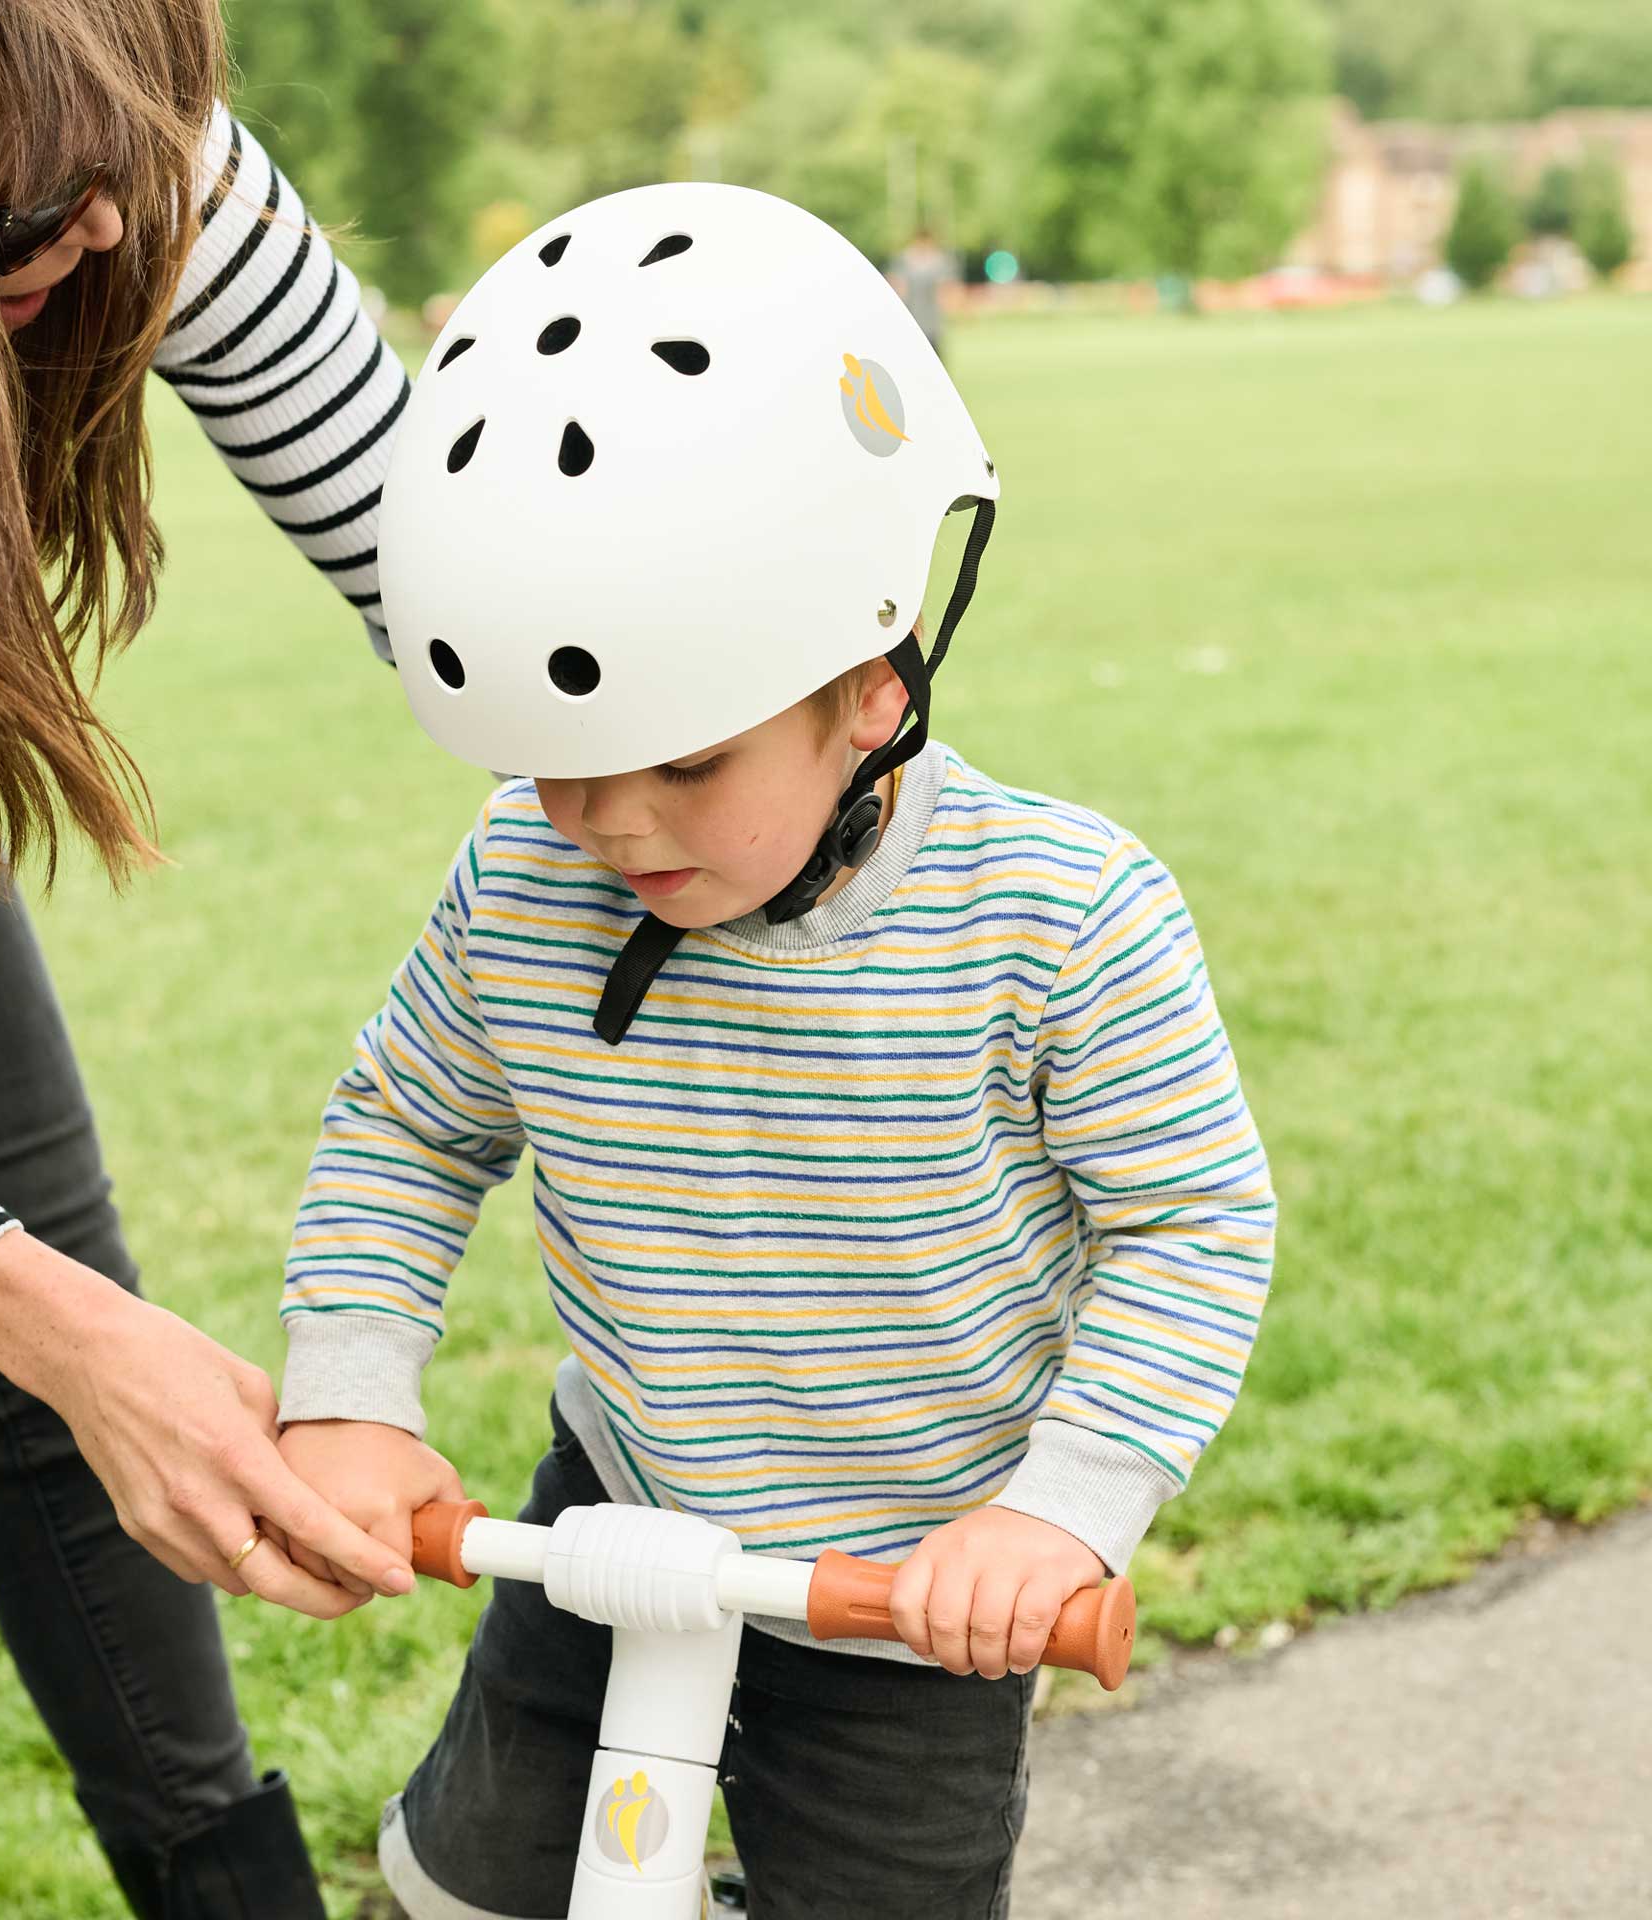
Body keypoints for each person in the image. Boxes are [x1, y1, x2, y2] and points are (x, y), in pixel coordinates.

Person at [267, 183, 1279, 1917]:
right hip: (618, 1514)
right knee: (463, 1887)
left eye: (684, 762)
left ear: (874, 690)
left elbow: (1188, 1224)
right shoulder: (525, 881)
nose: (609, 821)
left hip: (917, 1586)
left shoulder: (1061, 916)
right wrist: (349, 1398)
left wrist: (1059, 1515)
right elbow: (408, 1127)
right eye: (560, 762)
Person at [0, 3, 419, 1912]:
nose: (96, 236)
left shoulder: (105, 135)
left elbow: (457, 567)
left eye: (120, 177)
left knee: (59, 1316)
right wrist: (47, 1321)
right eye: (17, 216)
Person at [889, 222, 961, 358]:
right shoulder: (905, 261)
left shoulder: (939, 262)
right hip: (912, 321)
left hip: (931, 324)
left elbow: (946, 291)